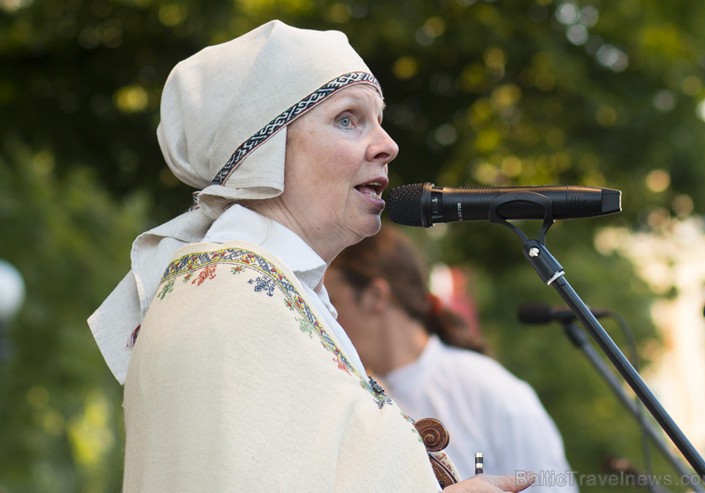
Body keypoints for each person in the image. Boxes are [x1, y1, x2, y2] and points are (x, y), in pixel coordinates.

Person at [87, 20, 535, 492]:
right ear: (265, 149)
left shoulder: (255, 290)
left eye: (380, 120)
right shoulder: (234, 297)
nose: (388, 145)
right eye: (348, 119)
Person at [325, 224, 578, 493]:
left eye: (334, 304)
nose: (327, 320)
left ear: (376, 296)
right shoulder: (348, 398)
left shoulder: (495, 394)